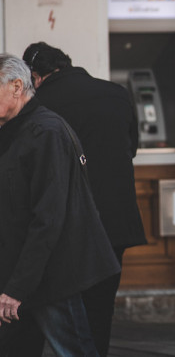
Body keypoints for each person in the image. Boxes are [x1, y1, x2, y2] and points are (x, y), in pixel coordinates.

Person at [20, 42, 147, 357]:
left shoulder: (40, 103)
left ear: (35, 76)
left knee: (58, 306)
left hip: (69, 220)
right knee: (101, 307)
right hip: (116, 220)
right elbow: (132, 147)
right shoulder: (117, 93)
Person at [0, 54, 121, 356]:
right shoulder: (14, 129)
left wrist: (17, 289)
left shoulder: (46, 131)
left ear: (17, 86)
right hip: (21, 272)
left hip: (51, 274)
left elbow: (49, 217)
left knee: (73, 350)